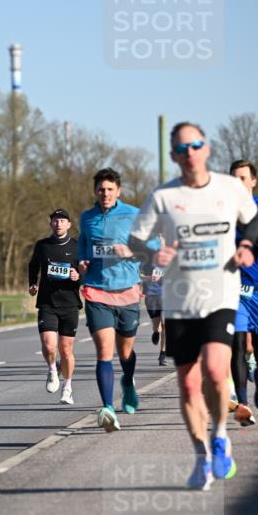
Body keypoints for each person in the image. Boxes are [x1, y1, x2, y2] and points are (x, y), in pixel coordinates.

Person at [128, 122, 258, 490]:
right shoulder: (164, 196)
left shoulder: (229, 188)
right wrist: (153, 254)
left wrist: (245, 245)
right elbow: (135, 239)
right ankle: (201, 455)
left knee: (216, 371)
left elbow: (252, 220)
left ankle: (220, 437)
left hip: (220, 294)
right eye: (182, 148)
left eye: (196, 145)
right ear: (174, 155)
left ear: (207, 149)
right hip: (179, 300)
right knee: (188, 386)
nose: (190, 152)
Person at [77, 169, 155, 431]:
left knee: (125, 352)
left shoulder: (134, 214)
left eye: (110, 189)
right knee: (104, 351)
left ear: (118, 191)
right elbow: (83, 245)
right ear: (95, 191)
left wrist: (131, 250)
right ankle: (108, 408)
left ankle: (129, 383)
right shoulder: (87, 217)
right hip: (97, 291)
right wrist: (82, 261)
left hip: (127, 291)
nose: (105, 193)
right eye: (101, 189)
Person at [228, 160, 258, 425]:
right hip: (234, 287)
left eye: (242, 178)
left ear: (253, 181)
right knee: (236, 344)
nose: (237, 183)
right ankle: (243, 405)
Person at [28, 209, 81, 405]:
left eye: (62, 221)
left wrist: (78, 276)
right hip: (47, 303)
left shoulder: (77, 246)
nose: (58, 224)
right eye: (55, 221)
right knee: (49, 345)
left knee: (66, 350)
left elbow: (86, 270)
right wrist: (32, 283)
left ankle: (68, 387)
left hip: (70, 304)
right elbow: (33, 266)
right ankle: (52, 370)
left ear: (69, 224)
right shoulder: (42, 246)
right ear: (50, 224)